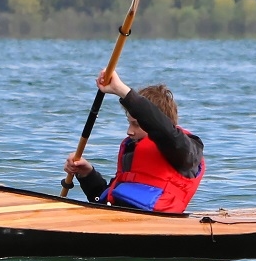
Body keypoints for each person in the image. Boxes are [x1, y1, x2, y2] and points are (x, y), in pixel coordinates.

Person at [63, 68, 205, 213]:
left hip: (155, 224)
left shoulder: (186, 151)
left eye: (136, 124)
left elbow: (163, 130)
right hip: (120, 221)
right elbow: (105, 201)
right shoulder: (133, 148)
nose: (129, 131)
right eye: (129, 122)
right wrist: (87, 174)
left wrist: (122, 91)